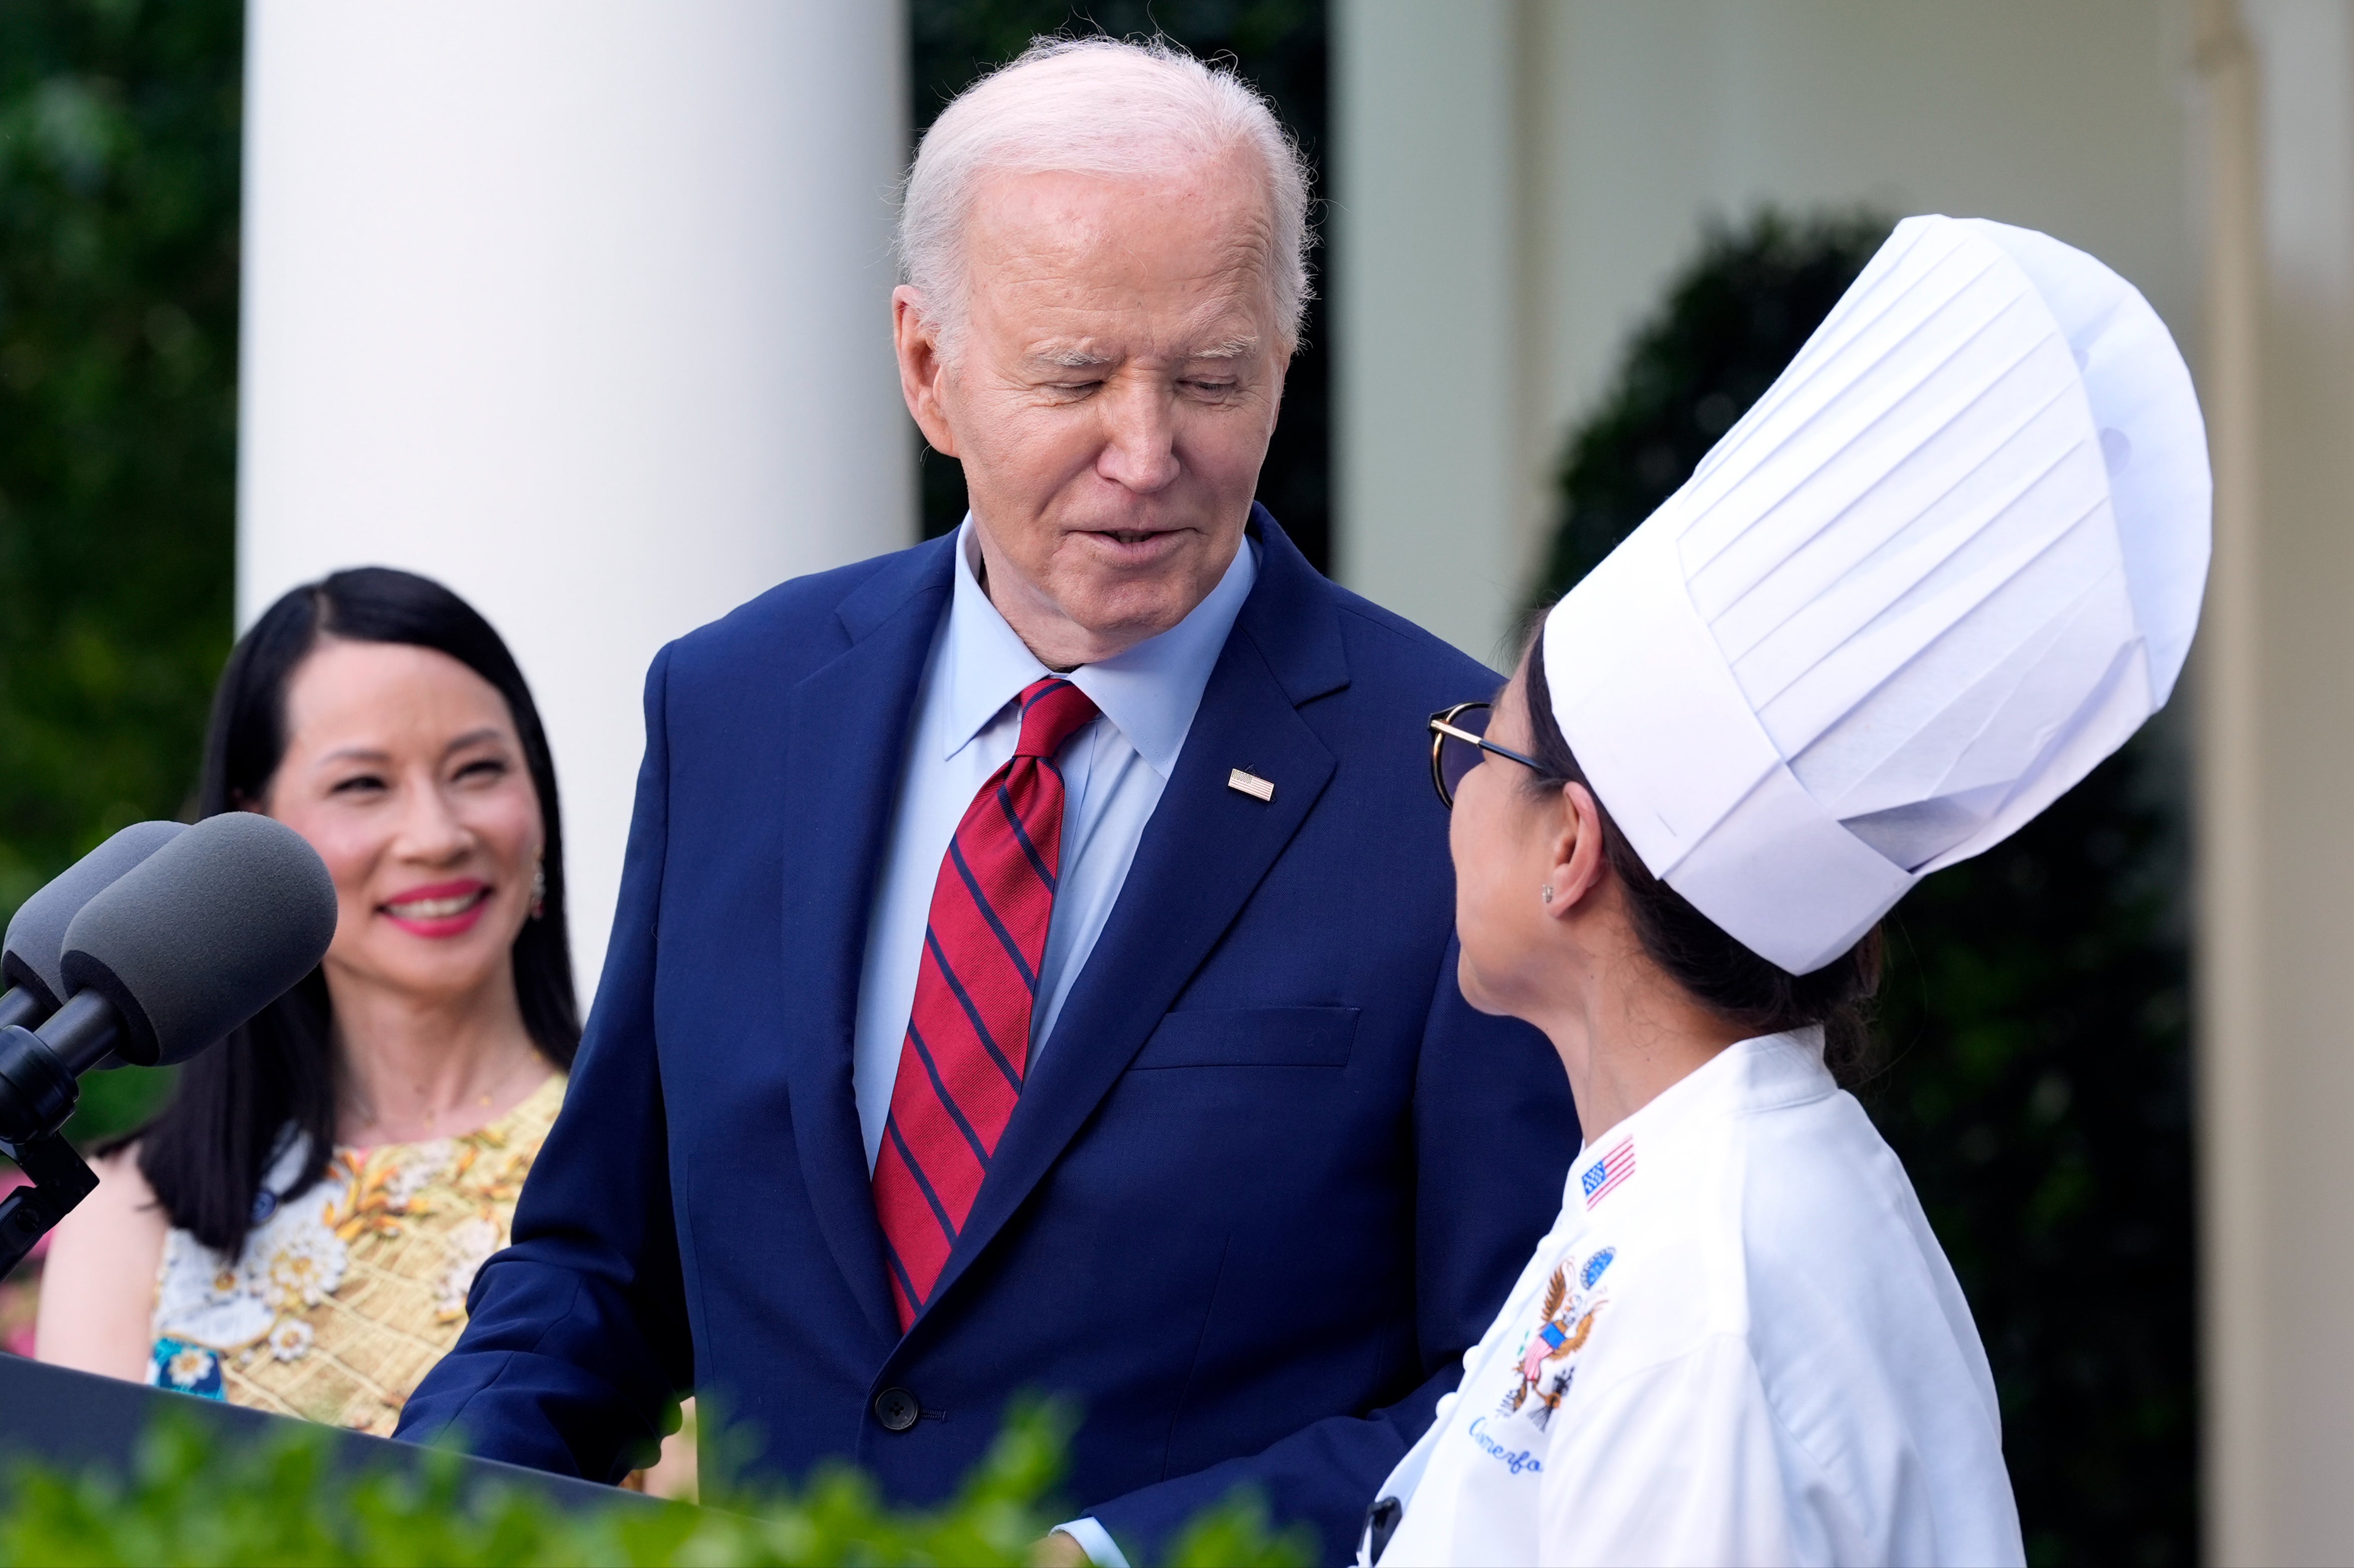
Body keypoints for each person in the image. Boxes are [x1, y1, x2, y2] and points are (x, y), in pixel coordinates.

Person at [394, 36, 1579, 1566]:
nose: (1145, 455)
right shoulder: (733, 703)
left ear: (1285, 362)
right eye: (1074, 377)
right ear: (925, 366)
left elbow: (1523, 1383)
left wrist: (1112, 1557)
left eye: (1211, 378)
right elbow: (598, 1272)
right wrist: (407, 1509)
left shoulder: (1458, 781)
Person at [1360, 214, 2210, 1565]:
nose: (1453, 787)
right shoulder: (1694, 1194)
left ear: (1569, 845)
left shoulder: (1714, 1302)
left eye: (1478, 744)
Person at [36, 567, 579, 1437]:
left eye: (478, 770)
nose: (436, 835)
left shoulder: (646, 1160)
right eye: (364, 784)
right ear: (253, 828)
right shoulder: (135, 1207)